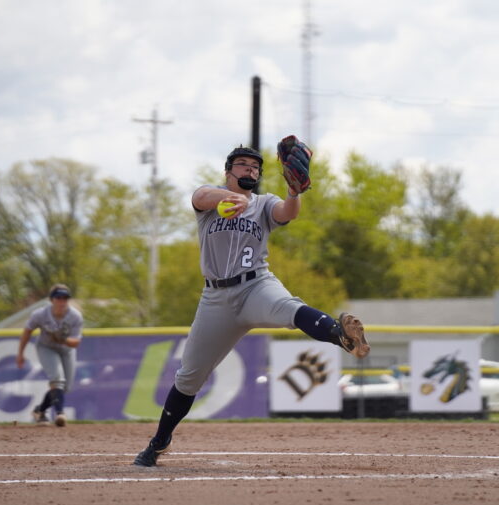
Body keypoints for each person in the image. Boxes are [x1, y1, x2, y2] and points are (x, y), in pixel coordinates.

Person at [133, 141, 370, 467]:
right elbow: (199, 197)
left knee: (290, 308)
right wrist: (226, 198)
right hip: (216, 297)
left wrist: (294, 192)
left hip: (257, 285)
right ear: (228, 171)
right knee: (189, 377)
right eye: (243, 165)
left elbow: (287, 213)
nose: (251, 170)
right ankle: (159, 442)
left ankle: (340, 334)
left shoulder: (263, 203)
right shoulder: (210, 200)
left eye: (256, 167)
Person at [16, 284, 84, 427]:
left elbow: (76, 342)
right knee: (57, 379)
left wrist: (63, 339)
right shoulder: (40, 314)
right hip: (46, 347)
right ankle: (60, 414)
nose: (62, 301)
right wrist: (20, 353)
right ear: (51, 299)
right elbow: (27, 331)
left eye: (65, 298)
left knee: (65, 387)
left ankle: (39, 410)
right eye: (58, 298)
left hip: (66, 349)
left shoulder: (75, 316)